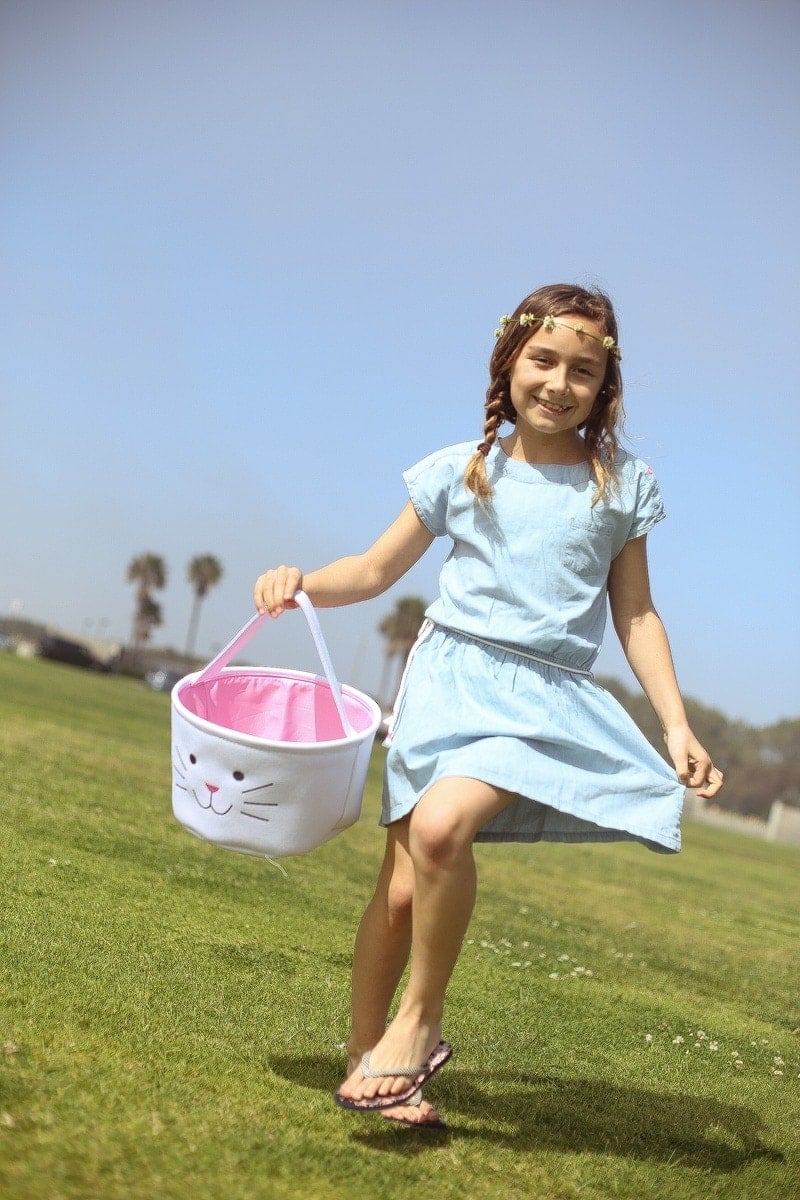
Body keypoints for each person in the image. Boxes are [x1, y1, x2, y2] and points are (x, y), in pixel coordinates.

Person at [253, 283, 723, 1128]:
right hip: (442, 686)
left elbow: (637, 614)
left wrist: (676, 723)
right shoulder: (457, 470)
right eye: (543, 360)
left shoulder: (622, 488)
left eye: (583, 369)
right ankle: (373, 1064)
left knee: (440, 830)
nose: (558, 382)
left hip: (539, 701)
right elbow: (369, 570)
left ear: (605, 384)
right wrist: (300, 583)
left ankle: (420, 1019)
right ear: (509, 362)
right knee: (397, 891)